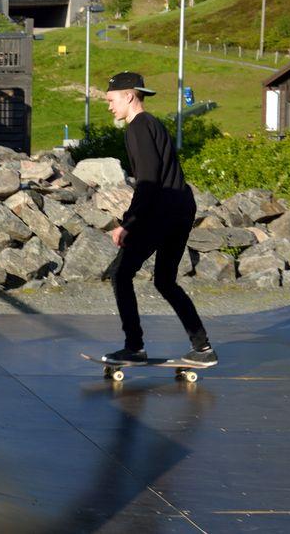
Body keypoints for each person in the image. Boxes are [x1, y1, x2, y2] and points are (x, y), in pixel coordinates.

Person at [103, 71, 217, 367]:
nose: (109, 106)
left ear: (129, 95)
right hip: (180, 207)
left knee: (121, 273)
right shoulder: (153, 124)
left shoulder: (138, 127)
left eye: (111, 100)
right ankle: (202, 348)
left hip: (162, 210)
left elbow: (148, 182)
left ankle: (134, 347)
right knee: (165, 281)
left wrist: (128, 224)